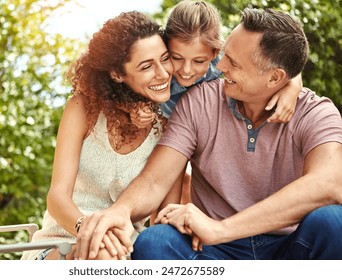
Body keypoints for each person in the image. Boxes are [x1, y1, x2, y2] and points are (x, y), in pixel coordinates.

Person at [74, 8, 342, 260]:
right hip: (209, 247)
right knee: (156, 240)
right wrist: (121, 210)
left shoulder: (316, 113)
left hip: (288, 244)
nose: (220, 66)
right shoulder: (198, 101)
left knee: (332, 221)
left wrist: (222, 228)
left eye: (233, 63)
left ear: (274, 78)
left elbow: (329, 184)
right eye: (223, 55)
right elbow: (155, 180)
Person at [20, 11, 178, 260]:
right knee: (101, 253)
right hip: (64, 240)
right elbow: (57, 197)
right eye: (147, 66)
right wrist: (90, 230)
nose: (163, 73)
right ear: (117, 74)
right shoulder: (83, 109)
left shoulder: (169, 128)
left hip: (124, 250)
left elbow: (162, 219)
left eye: (165, 59)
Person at [131, 0, 303, 204]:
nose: (186, 70)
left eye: (198, 61)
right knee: (163, 183)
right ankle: (159, 229)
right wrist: (137, 110)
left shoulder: (221, 64)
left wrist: (293, 86)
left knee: (183, 183)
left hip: (194, 130)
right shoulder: (158, 72)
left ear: (215, 53)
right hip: (163, 134)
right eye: (176, 57)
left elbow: (278, 65)